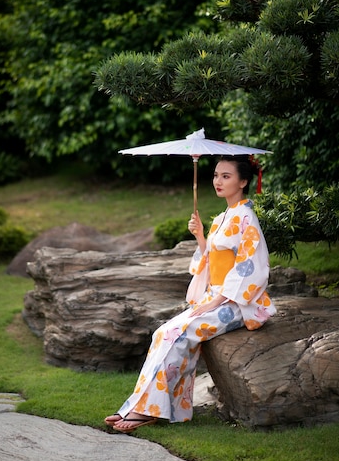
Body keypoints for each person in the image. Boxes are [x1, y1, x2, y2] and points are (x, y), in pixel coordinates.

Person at [105, 154, 276, 433]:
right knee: (163, 332)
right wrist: (200, 236)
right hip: (217, 296)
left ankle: (146, 411)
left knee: (181, 333)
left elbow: (251, 267)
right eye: (216, 175)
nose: (217, 181)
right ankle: (142, 406)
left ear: (244, 181)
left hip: (237, 303)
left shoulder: (246, 217)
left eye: (226, 176)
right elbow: (213, 259)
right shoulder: (224, 216)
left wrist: (217, 301)